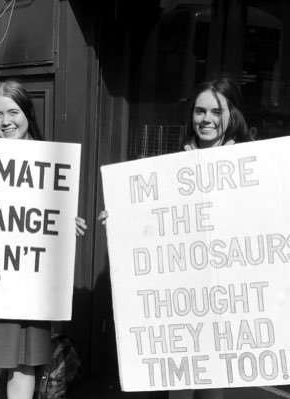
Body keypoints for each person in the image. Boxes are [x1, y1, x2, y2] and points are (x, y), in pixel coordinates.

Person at [98, 74, 253, 399]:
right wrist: (122, 217)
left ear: (232, 114)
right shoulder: (172, 165)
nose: (206, 119)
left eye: (216, 111)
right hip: (181, 296)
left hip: (226, 294)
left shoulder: (250, 166)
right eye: (200, 111)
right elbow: (154, 222)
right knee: (176, 386)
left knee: (213, 388)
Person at [0, 79, 87, 399]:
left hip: (29, 281)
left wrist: (65, 225)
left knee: (25, 368)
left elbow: (48, 220)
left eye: (13, 112)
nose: (5, 121)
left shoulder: (50, 163)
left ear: (28, 113)